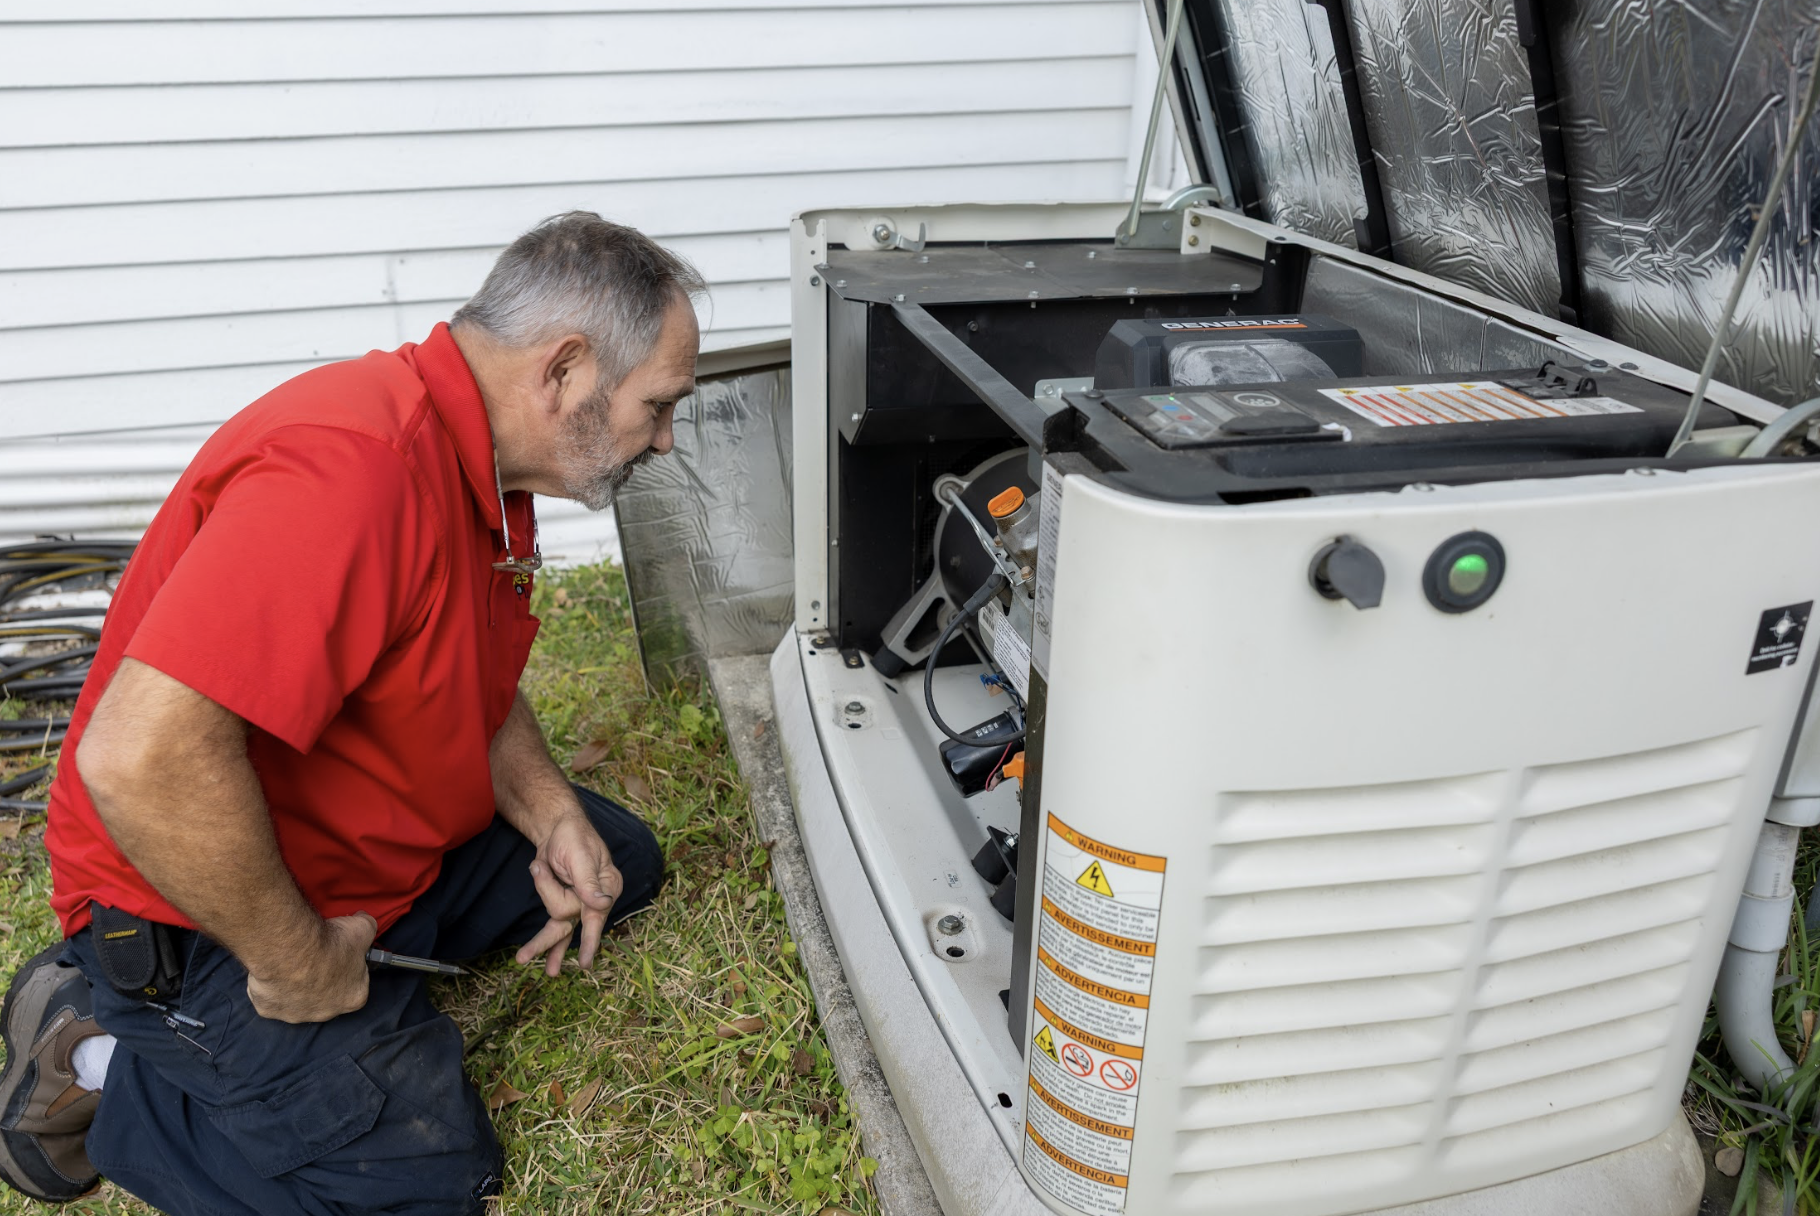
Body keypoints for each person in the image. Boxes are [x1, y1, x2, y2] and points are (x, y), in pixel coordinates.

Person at [0, 212, 704, 1214]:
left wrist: (549, 813)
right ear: (566, 372)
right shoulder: (353, 470)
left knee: (617, 860)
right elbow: (140, 758)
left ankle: (334, 1020)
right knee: (423, 1186)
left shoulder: (482, 468)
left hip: (364, 860)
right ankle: (104, 1061)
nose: (664, 437)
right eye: (659, 404)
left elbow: (467, 673)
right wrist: (297, 964)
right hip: (204, 913)